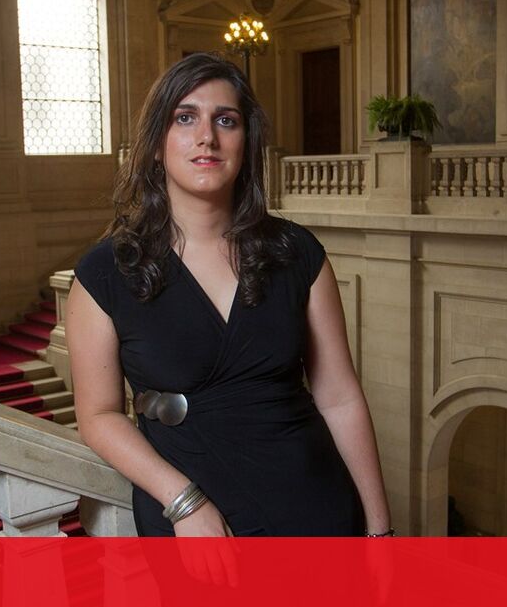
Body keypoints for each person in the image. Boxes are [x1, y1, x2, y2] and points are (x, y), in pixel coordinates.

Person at [70, 53, 392, 541]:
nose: (207, 137)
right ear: (156, 144)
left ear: (246, 142)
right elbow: (98, 416)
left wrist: (380, 533)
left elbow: (341, 399)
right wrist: (182, 500)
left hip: (316, 510)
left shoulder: (298, 253)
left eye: (226, 120)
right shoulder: (105, 273)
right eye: (185, 118)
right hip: (197, 531)